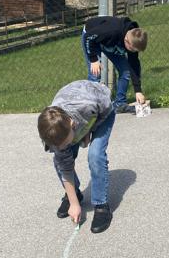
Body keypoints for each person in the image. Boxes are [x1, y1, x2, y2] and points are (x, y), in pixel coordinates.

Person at [38, 80, 116, 234]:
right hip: (81, 118)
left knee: (95, 155)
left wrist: (89, 131)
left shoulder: (87, 106)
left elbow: (104, 108)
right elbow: (65, 166)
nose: (64, 147)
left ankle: (101, 204)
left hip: (103, 110)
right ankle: (74, 194)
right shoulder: (52, 128)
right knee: (60, 159)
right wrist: (74, 203)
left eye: (67, 142)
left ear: (72, 124)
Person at [81, 15, 148, 112]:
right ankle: (90, 107)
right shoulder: (111, 31)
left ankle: (120, 103)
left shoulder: (134, 40)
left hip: (110, 42)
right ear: (126, 41)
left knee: (125, 71)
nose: (133, 52)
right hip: (91, 39)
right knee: (95, 73)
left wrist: (138, 91)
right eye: (132, 50)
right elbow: (88, 37)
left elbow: (134, 65)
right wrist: (93, 59)